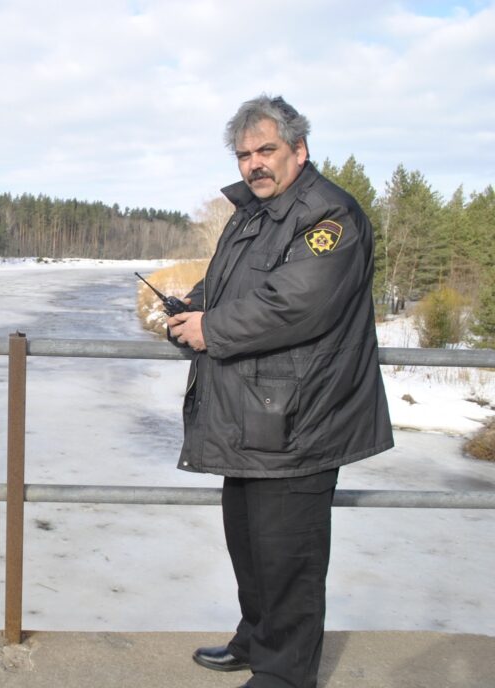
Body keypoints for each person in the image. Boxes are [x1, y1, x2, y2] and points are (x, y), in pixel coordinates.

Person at [167, 95, 393, 688]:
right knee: (250, 544)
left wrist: (212, 329)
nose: (254, 164)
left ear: (299, 149)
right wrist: (191, 307)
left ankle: (286, 674)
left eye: (265, 150)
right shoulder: (255, 214)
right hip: (251, 413)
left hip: (299, 418)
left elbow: (296, 304)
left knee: (289, 555)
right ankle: (256, 639)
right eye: (244, 155)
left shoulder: (328, 216)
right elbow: (228, 283)